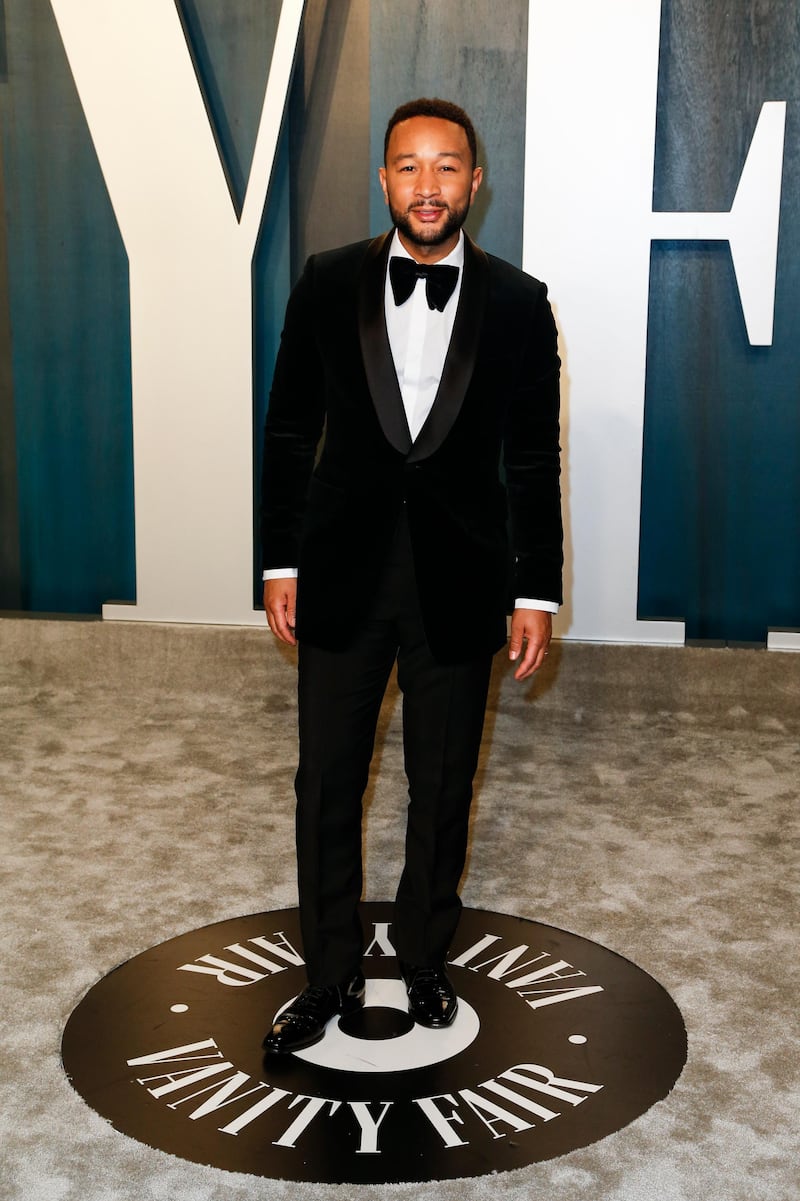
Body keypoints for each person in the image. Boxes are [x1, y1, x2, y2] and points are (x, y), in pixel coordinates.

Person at [260, 98, 562, 1054]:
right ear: (382, 178)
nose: (426, 186)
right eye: (408, 167)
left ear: (475, 181)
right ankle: (329, 970)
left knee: (441, 786)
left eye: (446, 168)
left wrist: (535, 590)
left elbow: (530, 461)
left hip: (461, 585)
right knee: (326, 786)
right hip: (341, 575)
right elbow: (289, 432)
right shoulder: (325, 282)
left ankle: (426, 959)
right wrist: (279, 559)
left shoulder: (519, 302)